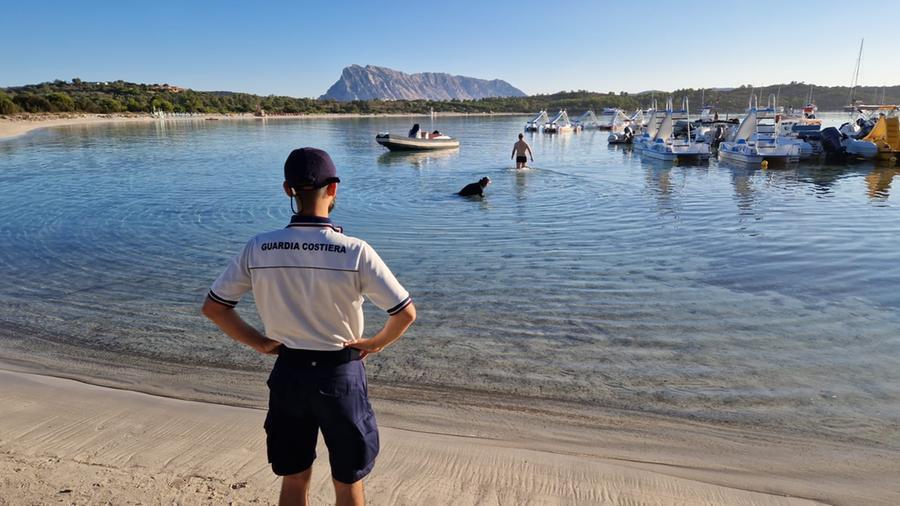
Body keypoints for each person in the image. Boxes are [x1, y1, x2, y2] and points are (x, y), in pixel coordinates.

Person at [201, 147, 416, 506]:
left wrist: (259, 342)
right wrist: (375, 343)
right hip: (339, 376)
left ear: (288, 190)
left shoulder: (259, 247)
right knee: (348, 481)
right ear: (333, 189)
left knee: (295, 476)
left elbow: (215, 308)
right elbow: (405, 313)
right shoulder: (354, 251)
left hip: (289, 374)